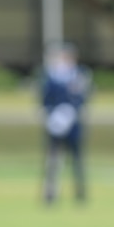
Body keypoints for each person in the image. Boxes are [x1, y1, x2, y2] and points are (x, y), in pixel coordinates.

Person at [39, 42, 91, 205]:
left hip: (73, 123)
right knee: (53, 158)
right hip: (55, 123)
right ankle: (50, 192)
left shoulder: (80, 75)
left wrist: (71, 112)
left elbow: (83, 98)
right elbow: (45, 99)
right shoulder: (51, 76)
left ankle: (80, 192)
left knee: (77, 158)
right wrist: (52, 116)